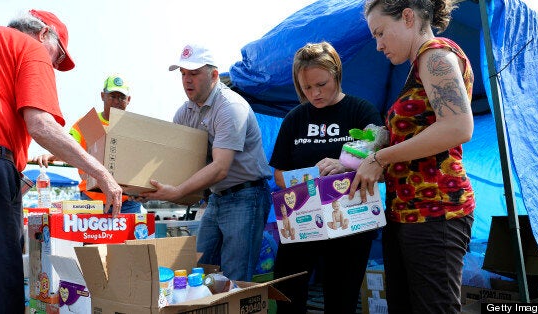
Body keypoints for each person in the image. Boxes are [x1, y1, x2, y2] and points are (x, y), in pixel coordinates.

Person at [0, 10, 123, 313]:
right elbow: (41, 125)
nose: (54, 66)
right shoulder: (29, 47)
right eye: (57, 57)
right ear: (44, 33)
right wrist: (101, 172)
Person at [349, 0, 476, 312]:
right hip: (407, 212)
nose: (378, 46)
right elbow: (422, 134)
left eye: (380, 33)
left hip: (436, 211)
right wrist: (369, 148)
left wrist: (380, 159)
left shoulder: (435, 55)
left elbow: (458, 126)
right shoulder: (418, 67)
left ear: (407, 17)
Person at [139, 43, 272, 282]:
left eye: (194, 73)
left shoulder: (231, 107)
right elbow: (176, 162)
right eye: (183, 74)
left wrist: (177, 191)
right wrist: (145, 188)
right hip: (216, 198)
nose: (187, 80)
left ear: (213, 75)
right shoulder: (184, 113)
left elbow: (220, 168)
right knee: (198, 267)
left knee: (235, 276)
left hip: (246, 196)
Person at [269, 41, 384, 314]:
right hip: (301, 222)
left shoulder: (360, 111)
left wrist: (345, 166)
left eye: (321, 84)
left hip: (350, 225)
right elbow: (279, 173)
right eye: (307, 88)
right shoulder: (295, 119)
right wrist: (312, 179)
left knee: (341, 298)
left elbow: (378, 155)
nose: (315, 93)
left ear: (336, 74)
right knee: (287, 292)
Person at [30, 74, 142, 213]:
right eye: (112, 96)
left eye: (121, 97)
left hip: (127, 201)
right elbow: (68, 148)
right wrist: (51, 155)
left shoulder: (135, 127)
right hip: (92, 201)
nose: (117, 101)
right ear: (102, 96)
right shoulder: (88, 124)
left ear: (128, 100)